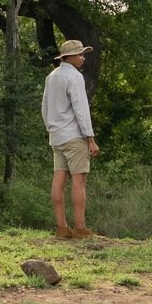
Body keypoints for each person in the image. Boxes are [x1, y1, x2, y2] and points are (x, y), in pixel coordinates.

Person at [43, 39, 99, 239]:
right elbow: (81, 109)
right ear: (69, 57)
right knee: (79, 179)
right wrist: (90, 138)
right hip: (74, 135)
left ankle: (61, 227)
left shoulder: (52, 76)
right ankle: (80, 228)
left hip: (57, 135)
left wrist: (52, 128)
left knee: (59, 177)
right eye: (80, 54)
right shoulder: (74, 77)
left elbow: (45, 107)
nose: (82, 58)